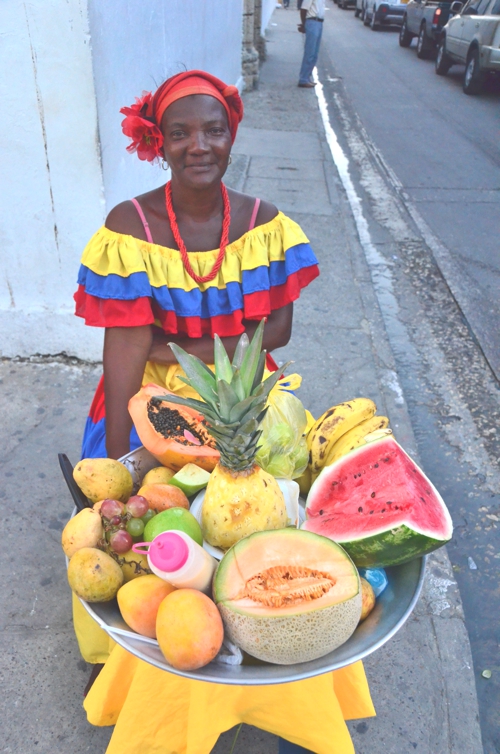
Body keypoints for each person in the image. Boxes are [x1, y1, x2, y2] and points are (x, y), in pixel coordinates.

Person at [74, 70, 374, 754]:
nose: (198, 146)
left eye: (213, 130)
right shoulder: (130, 226)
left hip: (241, 395)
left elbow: (278, 332)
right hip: (150, 395)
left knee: (261, 522)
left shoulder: (268, 224)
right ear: (158, 142)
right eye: (180, 133)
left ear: (232, 133)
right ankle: (113, 659)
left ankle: (273, 636)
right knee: (115, 531)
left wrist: (178, 340)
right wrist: (122, 456)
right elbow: (123, 348)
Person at [297, 0, 325, 88]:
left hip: (319, 22)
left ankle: (307, 77)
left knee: (314, 54)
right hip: (312, 21)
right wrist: (304, 24)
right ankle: (303, 79)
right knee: (310, 52)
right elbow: (303, 9)